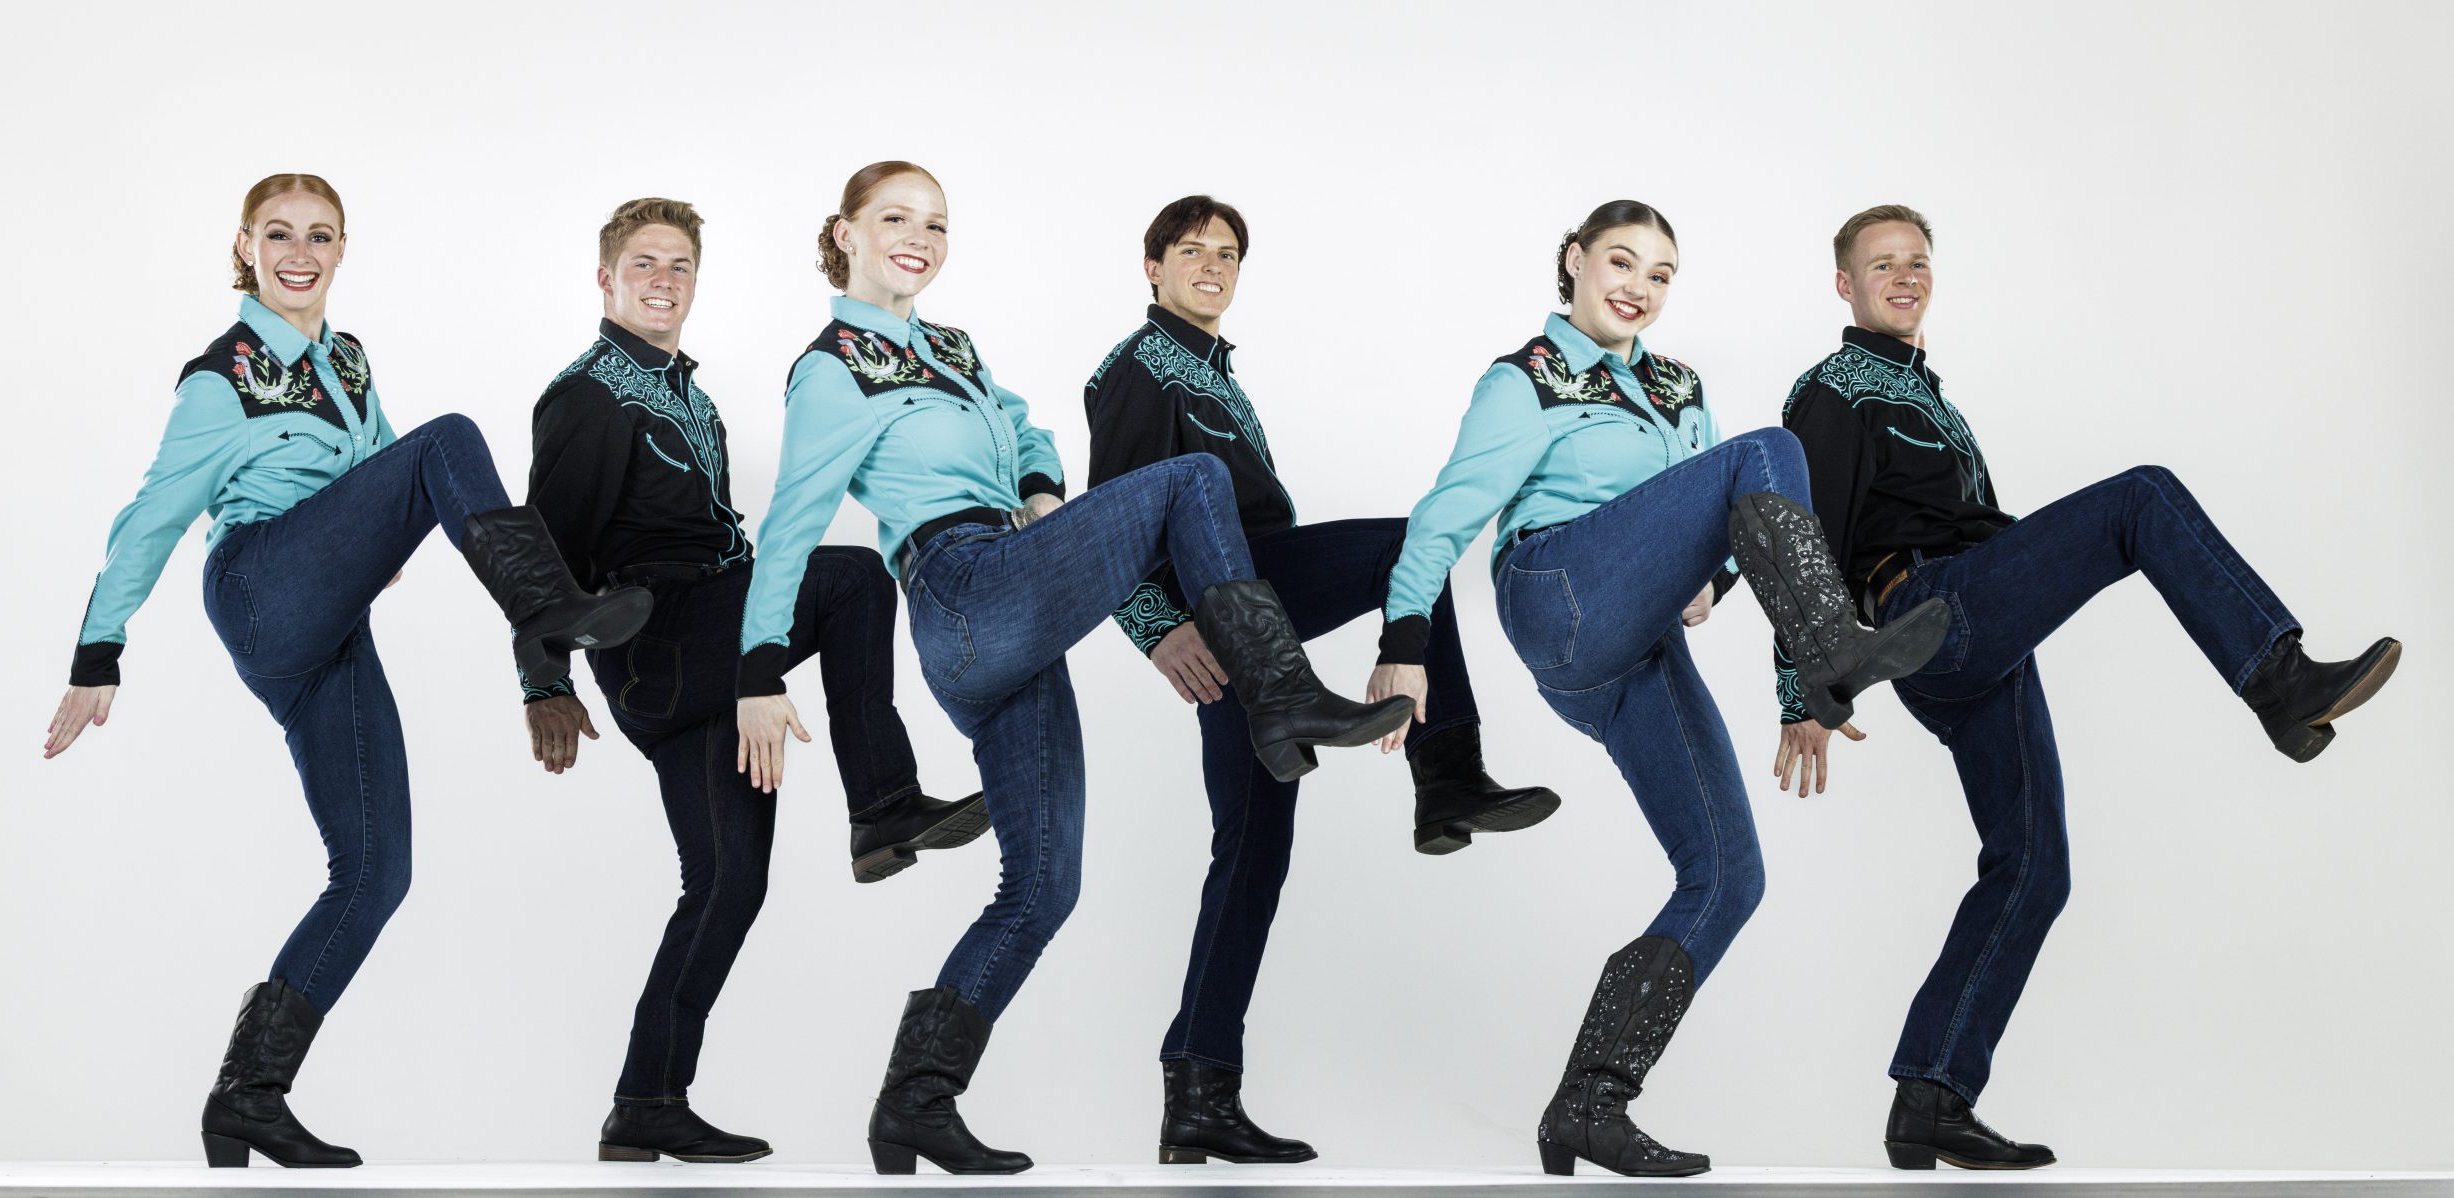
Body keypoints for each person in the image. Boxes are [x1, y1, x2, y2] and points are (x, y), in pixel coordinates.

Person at [735, 161, 1411, 1176]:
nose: (917, 238)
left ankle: (913, 1101)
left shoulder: (951, 349)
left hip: (1014, 602)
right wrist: (758, 667)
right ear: (845, 233)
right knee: (1189, 477)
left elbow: (1027, 425)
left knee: (1044, 884)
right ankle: (1280, 694)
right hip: (961, 586)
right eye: (894, 220)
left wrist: (1045, 494)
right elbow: (790, 521)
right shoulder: (830, 366)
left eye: (935, 223)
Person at [1769, 204, 2402, 1172]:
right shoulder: (1835, 391)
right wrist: (1803, 691)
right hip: (1925, 610)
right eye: (1881, 264)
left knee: (2032, 865)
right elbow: (1792, 532)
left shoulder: (1935, 403)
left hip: (1975, 633)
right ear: (1843, 285)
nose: (1904, 276)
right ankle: (2277, 677)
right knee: (2138, 498)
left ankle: (1928, 1097)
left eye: (1917, 261)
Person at [43, 173, 650, 1169]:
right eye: (278, 234)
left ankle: (247, 1095)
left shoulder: (350, 362)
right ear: (245, 246)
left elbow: (394, 476)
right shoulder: (221, 375)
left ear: (340, 249)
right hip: (260, 583)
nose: (300, 250)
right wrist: (98, 648)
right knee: (451, 438)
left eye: (320, 235)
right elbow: (151, 515)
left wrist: (390, 528)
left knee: (375, 872)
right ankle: (546, 628)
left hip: (332, 614)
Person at [1385, 200, 1951, 1178]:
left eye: (1659, 274)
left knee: (1729, 876)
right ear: (1571, 262)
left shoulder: (1679, 386)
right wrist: (1403, 641)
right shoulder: (1526, 377)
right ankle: (1833, 656)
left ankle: (1588, 1103)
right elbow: (1446, 514)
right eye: (1619, 261)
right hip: (1555, 589)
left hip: (1630, 641)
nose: (1638, 287)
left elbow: (1745, 525)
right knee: (1775, 447)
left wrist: (1717, 581)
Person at [1085, 195, 1560, 1166]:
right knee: (1406, 544)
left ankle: (1199, 1093)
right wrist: (1157, 628)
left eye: (1227, 253)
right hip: (1227, 602)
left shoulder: (1216, 374)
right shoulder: (1139, 368)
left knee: (1252, 855)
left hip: (1251, 615)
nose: (1211, 266)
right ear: (1151, 267)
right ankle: (1447, 774)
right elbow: (1109, 517)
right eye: (1190, 252)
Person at [519, 198, 988, 1165]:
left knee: (729, 883)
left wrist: (752, 659)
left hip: (707, 643)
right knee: (854, 574)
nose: (662, 280)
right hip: (659, 645)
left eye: (680, 266)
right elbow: (542, 550)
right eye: (643, 264)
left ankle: (645, 1099)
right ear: (603, 280)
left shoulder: (688, 392)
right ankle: (885, 800)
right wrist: (542, 682)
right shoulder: (588, 395)